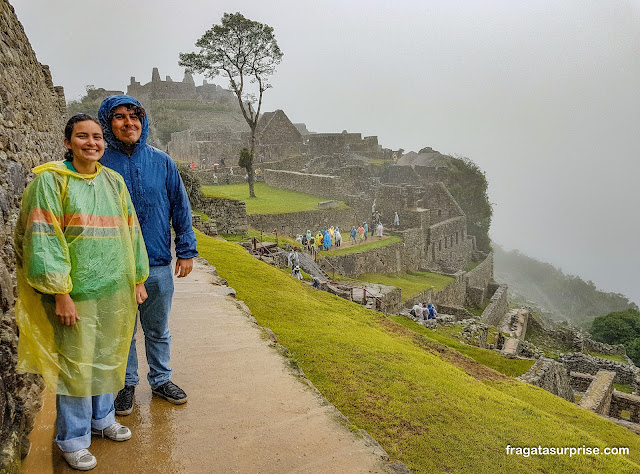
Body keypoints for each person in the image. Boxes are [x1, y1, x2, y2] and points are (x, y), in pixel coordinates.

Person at [14, 114, 150, 471]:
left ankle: (102, 419)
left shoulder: (113, 182)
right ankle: (72, 438)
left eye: (97, 137)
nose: (92, 143)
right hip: (75, 295)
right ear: (67, 142)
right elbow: (44, 241)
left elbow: (130, 230)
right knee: (75, 365)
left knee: (108, 355)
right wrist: (61, 293)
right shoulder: (51, 182)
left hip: (113, 290)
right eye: (82, 137)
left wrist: (137, 278)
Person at [98, 95, 198, 415]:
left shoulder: (162, 161)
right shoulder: (99, 164)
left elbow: (180, 207)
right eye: (120, 117)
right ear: (108, 123)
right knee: (123, 329)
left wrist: (185, 251)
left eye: (135, 116)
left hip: (156, 260)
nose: (129, 123)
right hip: (116, 264)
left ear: (143, 122)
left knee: (157, 328)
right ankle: (127, 384)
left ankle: (161, 379)